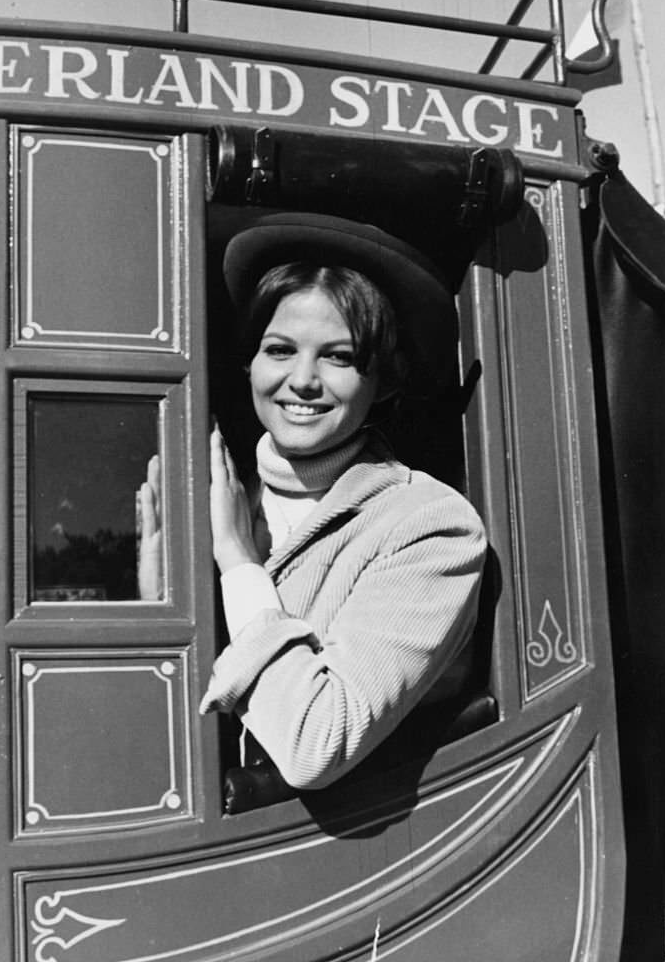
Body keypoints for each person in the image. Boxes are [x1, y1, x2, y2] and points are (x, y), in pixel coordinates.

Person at [139, 213, 487, 792]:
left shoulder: (432, 527)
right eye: (280, 350)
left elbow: (316, 746)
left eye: (340, 357)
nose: (303, 379)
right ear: (248, 362)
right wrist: (158, 608)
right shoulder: (208, 494)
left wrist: (238, 562)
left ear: (386, 379)